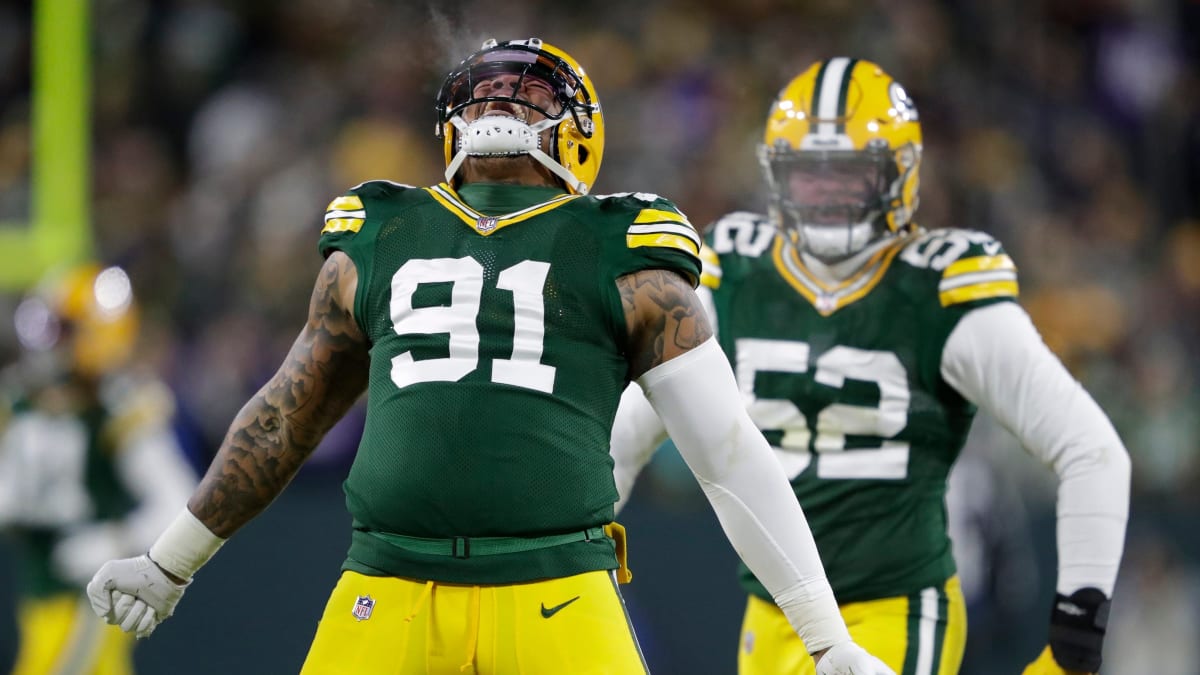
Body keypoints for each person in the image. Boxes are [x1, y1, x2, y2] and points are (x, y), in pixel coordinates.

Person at [84, 39, 893, 675]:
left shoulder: (623, 242)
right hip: (389, 583)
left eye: (532, 92)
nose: (503, 99)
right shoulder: (379, 229)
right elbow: (285, 415)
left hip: (556, 586)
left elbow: (725, 449)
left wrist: (823, 635)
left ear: (580, 135)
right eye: (487, 88)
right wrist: (170, 562)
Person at [609, 57, 1131, 675]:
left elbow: (1090, 449)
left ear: (900, 176)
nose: (828, 196)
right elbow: (628, 432)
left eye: (850, 176)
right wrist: (572, 536)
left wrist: (1079, 624)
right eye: (810, 177)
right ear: (776, 176)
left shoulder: (939, 289)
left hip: (894, 607)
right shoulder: (734, 269)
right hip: (773, 608)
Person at [0, 263, 196, 675]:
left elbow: (180, 502)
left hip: (92, 594)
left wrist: (115, 541)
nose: (48, 342)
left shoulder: (119, 407)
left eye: (64, 331)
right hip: (40, 594)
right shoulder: (20, 402)